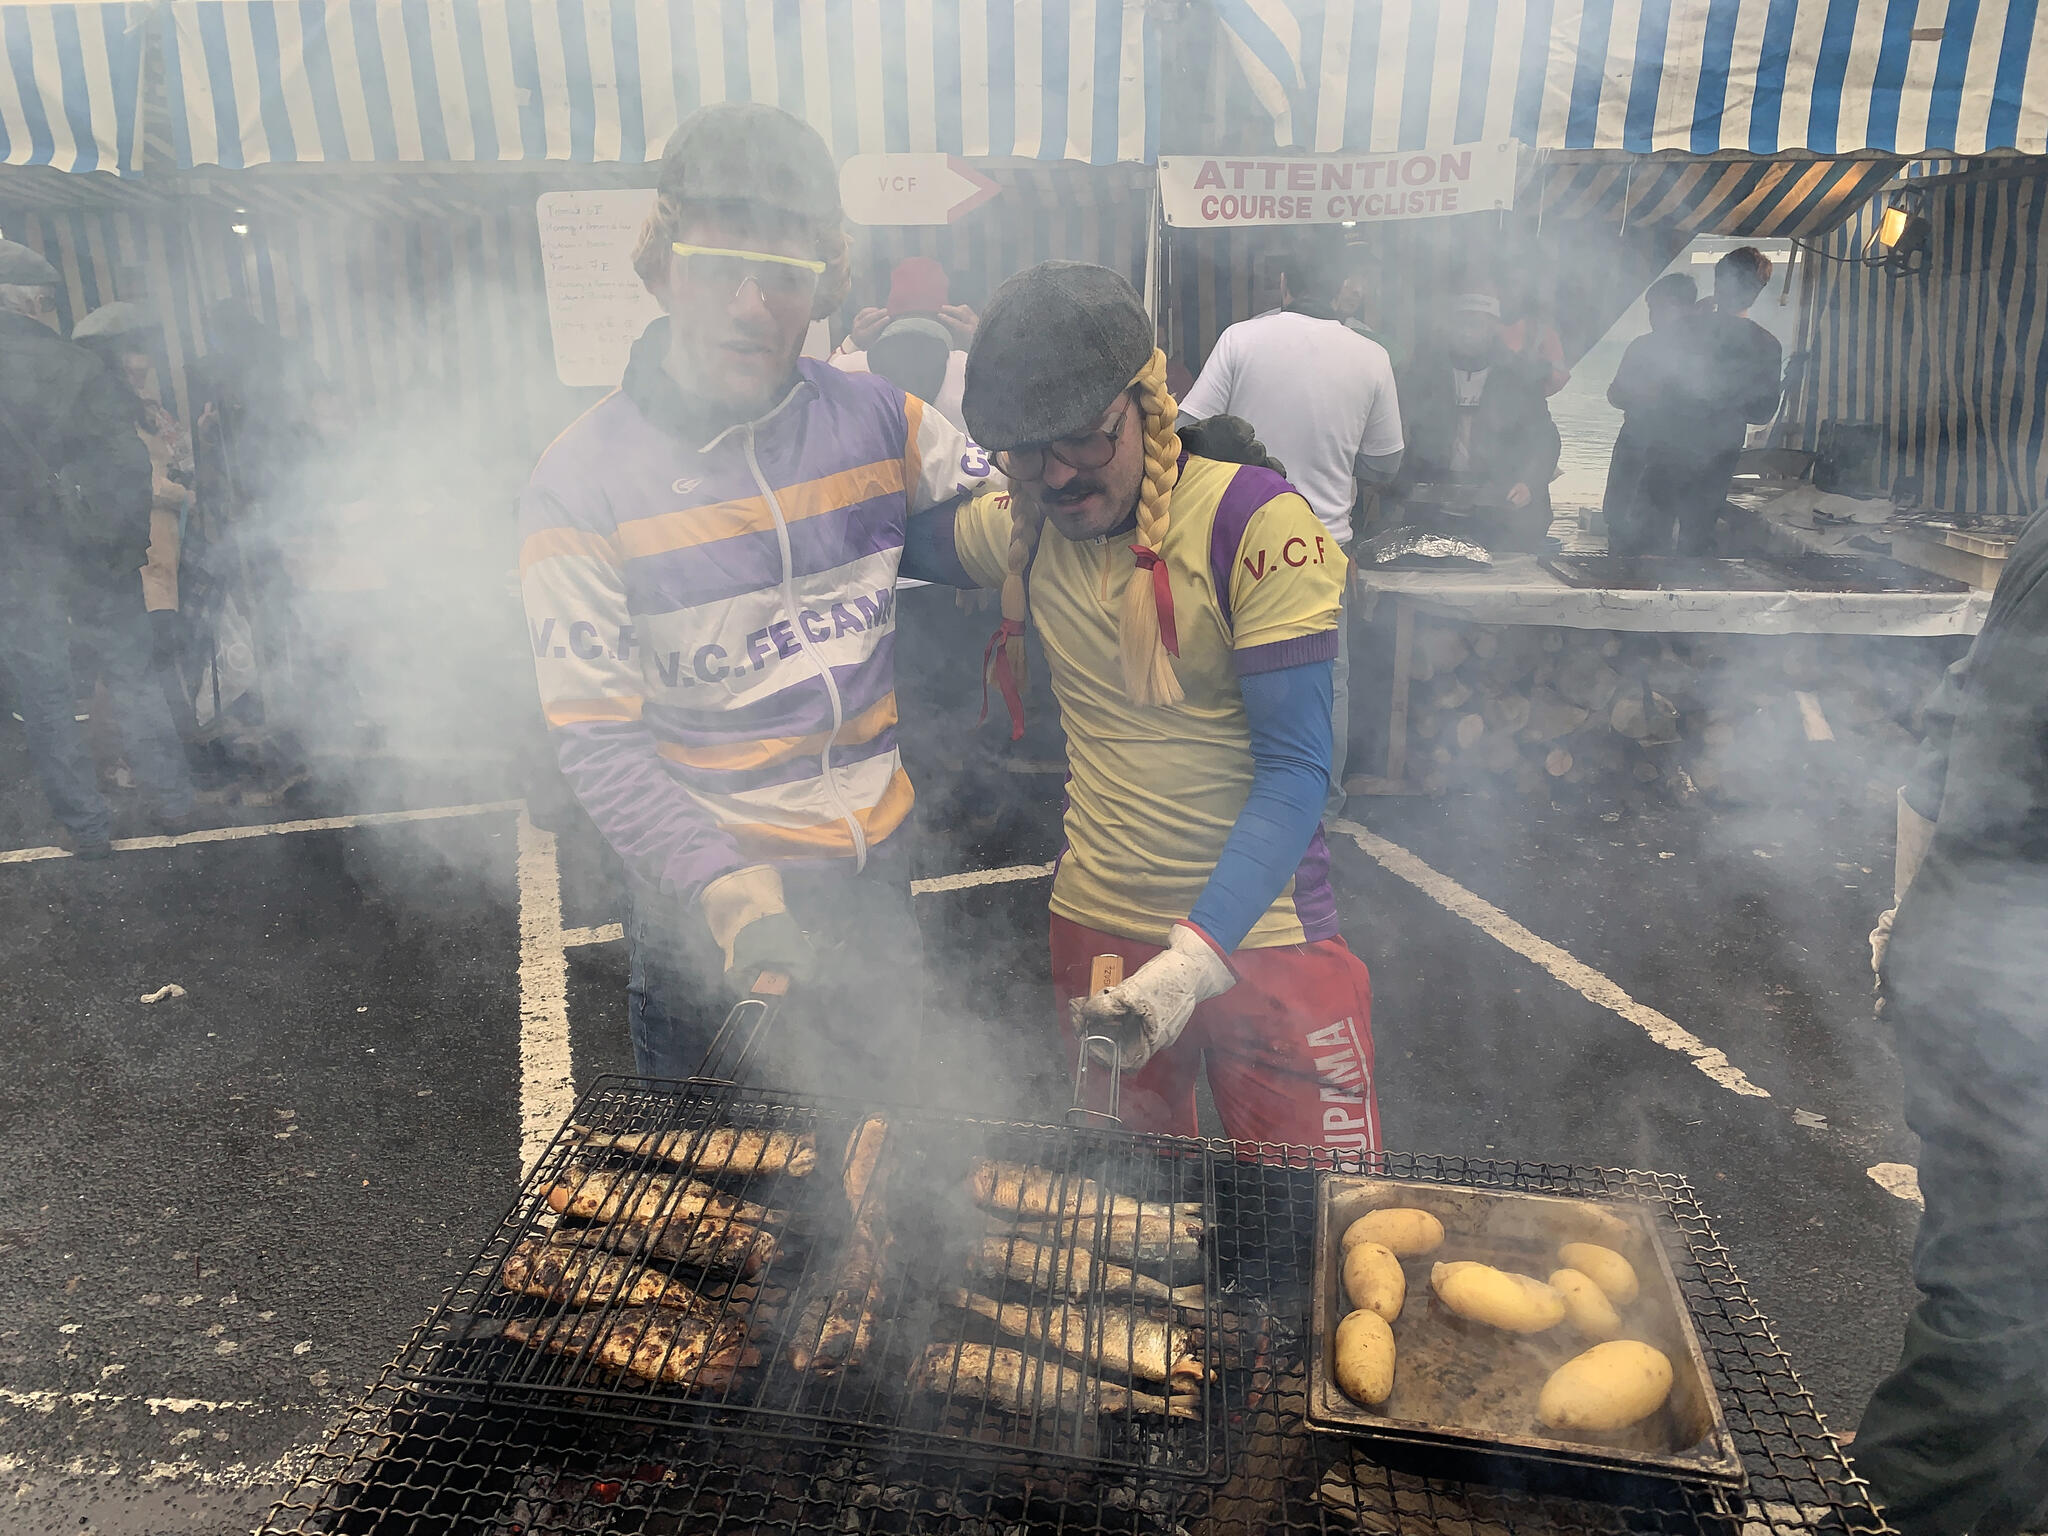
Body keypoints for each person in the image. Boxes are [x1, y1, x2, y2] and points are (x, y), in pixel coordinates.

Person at [518, 104, 995, 1094]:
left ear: (823, 285)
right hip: (714, 905)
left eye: (784, 274)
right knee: (716, 1189)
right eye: (717, 266)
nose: (751, 306)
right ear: (662, 268)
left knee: (889, 1156)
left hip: (873, 888)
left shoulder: (879, 417)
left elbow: (1001, 509)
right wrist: (720, 883)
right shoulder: (580, 480)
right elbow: (597, 739)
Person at [931, 261, 1381, 1154]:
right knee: (1128, 1209)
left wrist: (1196, 960)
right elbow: (866, 527)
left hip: (1262, 933)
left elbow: (1298, 770)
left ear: (1148, 401)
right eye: (1028, 451)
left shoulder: (1259, 523)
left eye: (1084, 439)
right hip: (1098, 928)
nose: (1059, 476)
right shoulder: (1022, 521)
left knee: (1315, 1208)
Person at [1855, 505, 2048, 1536]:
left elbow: (1951, 722)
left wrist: (1908, 915)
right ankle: (1908, 1511)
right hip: (2012, 996)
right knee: (2006, 1292)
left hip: (1975, 961)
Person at [1180, 230, 1403, 810]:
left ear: (1283, 284)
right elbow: (1386, 462)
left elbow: (1184, 429)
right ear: (1343, 288)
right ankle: (1320, 812)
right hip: (1321, 549)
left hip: (1233, 536)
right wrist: (1339, 457)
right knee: (1325, 682)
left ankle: (1226, 803)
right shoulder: (1372, 356)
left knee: (1226, 672)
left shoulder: (1240, 339)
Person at [0, 246, 194, 856]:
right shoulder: (82, 367)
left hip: (17, 558)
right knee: (132, 675)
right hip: (95, 549)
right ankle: (173, 803)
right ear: (36, 302)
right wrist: (126, 542)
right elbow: (126, 464)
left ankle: (86, 828)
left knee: (46, 692)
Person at [1392, 292, 1561, 553]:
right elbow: (1399, 426)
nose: (1469, 332)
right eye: (1463, 323)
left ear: (1493, 328)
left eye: (1478, 324)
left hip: (1499, 506)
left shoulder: (1519, 375)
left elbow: (1544, 438)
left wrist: (1529, 482)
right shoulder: (1426, 370)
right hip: (1433, 502)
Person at [72, 301, 196, 647]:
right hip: (145, 549)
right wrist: (185, 496)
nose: (146, 362)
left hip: (170, 544)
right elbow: (139, 480)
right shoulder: (104, 412)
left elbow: (176, 454)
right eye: (136, 351)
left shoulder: (143, 405)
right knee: (157, 644)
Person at [1668, 247, 1782, 555]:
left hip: (1666, 443)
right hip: (1720, 451)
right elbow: (1762, 413)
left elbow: (1655, 385)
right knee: (1696, 536)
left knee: (1648, 532)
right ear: (1757, 292)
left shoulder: (1684, 330)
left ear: (1719, 282)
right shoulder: (1767, 345)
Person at [1602, 272, 1703, 556]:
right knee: (1624, 523)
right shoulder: (1644, 346)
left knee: (1648, 526)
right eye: (1650, 309)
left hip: (1664, 454)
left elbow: (1617, 394)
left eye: (1658, 308)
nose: (1652, 316)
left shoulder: (1690, 351)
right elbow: (1615, 395)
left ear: (1681, 306)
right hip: (1636, 447)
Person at [830, 257, 977, 428]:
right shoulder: (969, 371)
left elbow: (817, 387)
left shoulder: (846, 370)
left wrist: (852, 343)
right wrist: (979, 340)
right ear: (950, 319)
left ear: (884, 316)